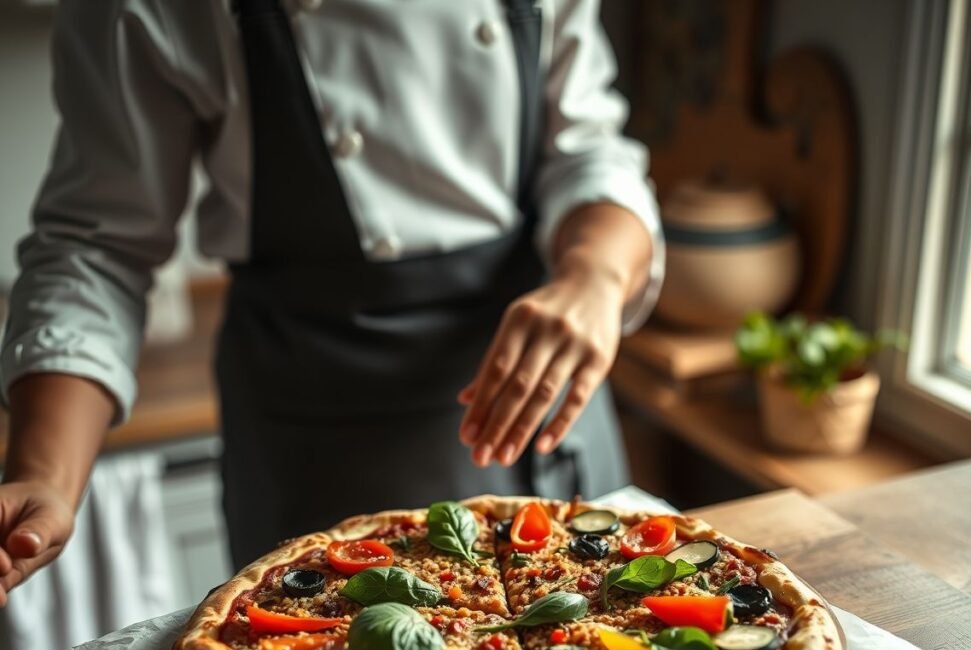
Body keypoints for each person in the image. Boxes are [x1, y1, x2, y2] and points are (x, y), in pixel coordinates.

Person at [0, 0, 662, 603]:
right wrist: (45, 475)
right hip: (328, 440)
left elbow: (590, 153)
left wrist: (596, 277)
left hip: (556, 395)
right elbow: (98, 244)